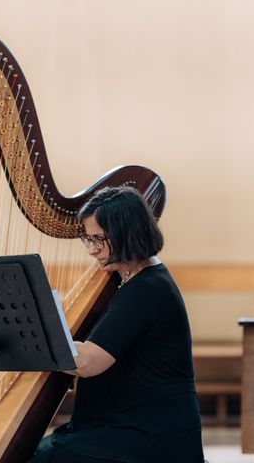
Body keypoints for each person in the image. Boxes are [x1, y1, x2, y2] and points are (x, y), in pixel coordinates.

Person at [29, 186, 204, 463]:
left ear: (126, 234)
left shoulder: (147, 289)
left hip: (150, 435)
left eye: (99, 239)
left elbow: (88, 362)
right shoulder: (135, 280)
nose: (91, 250)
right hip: (126, 425)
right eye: (88, 239)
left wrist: (33, 334)